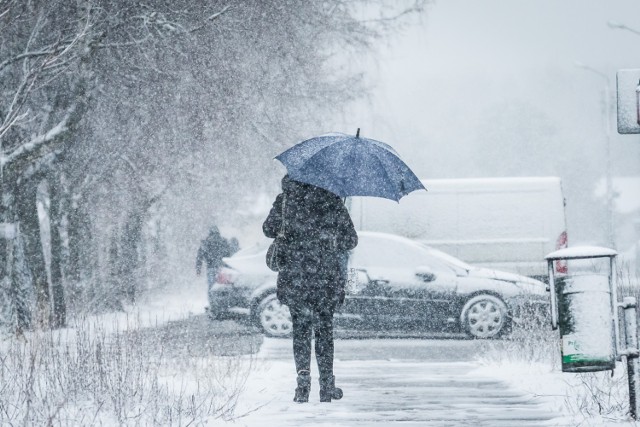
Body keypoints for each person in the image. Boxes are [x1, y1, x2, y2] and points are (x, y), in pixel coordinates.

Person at [262, 175, 358, 403]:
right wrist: (330, 234)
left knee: (301, 330)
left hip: (295, 276)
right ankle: (326, 386)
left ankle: (302, 385)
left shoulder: (285, 200)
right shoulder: (333, 201)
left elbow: (268, 229)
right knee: (324, 330)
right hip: (325, 278)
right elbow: (351, 241)